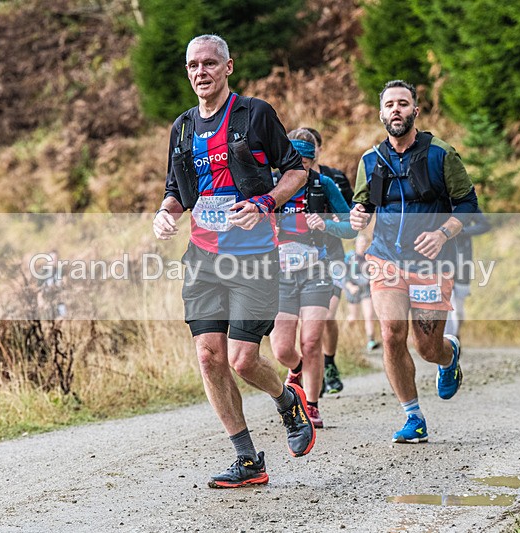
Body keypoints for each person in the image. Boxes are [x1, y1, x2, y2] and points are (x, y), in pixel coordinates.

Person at [152, 34, 313, 489]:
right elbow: (175, 191)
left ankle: (287, 401)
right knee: (208, 356)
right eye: (192, 66)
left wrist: (264, 202)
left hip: (255, 257)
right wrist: (165, 215)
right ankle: (247, 459)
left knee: (244, 360)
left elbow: (296, 171)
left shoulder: (255, 113)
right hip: (203, 259)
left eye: (208, 63)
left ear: (228, 67)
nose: (200, 72)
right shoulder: (182, 128)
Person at [349, 79, 478, 444]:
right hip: (386, 258)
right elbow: (362, 206)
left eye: (403, 104)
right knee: (391, 334)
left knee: (427, 348)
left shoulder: (441, 154)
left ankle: (448, 355)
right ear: (381, 113)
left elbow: (469, 206)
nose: (396, 110)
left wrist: (442, 234)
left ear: (415, 111)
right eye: (389, 104)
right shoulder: (370, 160)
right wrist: (358, 216)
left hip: (431, 264)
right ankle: (413, 417)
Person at [270, 128, 355, 428]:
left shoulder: (325, 184)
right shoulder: (269, 185)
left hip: (317, 271)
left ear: (313, 160)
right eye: (295, 162)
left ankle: (312, 404)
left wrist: (327, 224)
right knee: (281, 349)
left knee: (311, 340)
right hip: (279, 274)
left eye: (306, 162)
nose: (300, 169)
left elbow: (351, 227)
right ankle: (298, 370)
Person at [301, 127, 354, 395]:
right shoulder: (284, 181)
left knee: (326, 315)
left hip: (332, 254)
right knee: (307, 320)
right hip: (297, 262)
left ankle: (328, 363)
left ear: (318, 150)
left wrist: (331, 223)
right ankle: (311, 368)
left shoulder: (333, 179)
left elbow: (355, 216)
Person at [443, 212, 491, 339]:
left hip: (463, 259)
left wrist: (462, 231)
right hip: (441, 259)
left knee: (458, 306)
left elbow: (485, 225)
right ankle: (449, 338)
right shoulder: (435, 200)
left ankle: (456, 335)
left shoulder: (465, 202)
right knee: (445, 300)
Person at [343, 234, 380, 352]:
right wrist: (350, 286)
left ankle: (371, 341)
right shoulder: (350, 257)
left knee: (369, 315)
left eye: (364, 242)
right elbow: (344, 275)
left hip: (366, 290)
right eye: (360, 242)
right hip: (352, 289)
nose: (362, 244)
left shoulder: (369, 256)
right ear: (356, 243)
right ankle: (346, 338)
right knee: (353, 317)